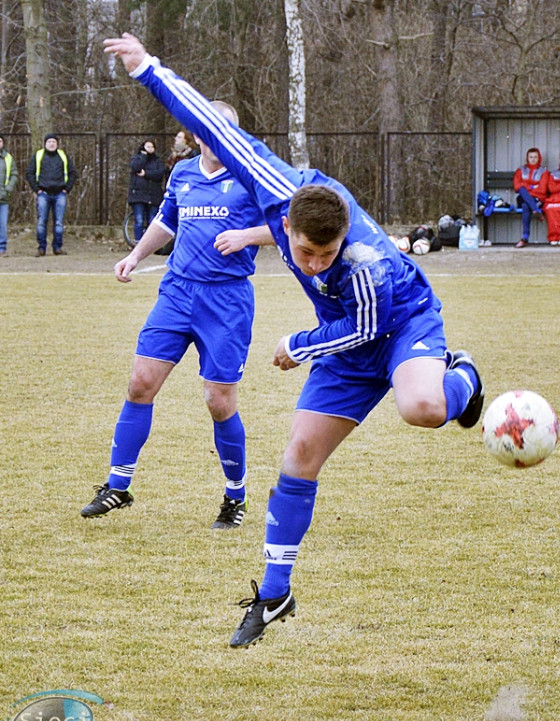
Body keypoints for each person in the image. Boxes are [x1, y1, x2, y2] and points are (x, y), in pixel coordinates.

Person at [104, 33, 485, 648]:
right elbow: (207, 121)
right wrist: (147, 68)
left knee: (423, 408)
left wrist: (300, 343)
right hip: (348, 338)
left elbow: (363, 328)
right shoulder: (274, 186)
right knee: (298, 460)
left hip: (398, 323)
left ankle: (462, 374)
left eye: (324, 254)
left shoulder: (365, 264)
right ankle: (276, 593)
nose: (312, 263)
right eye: (304, 251)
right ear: (284, 224)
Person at [80, 101, 273, 529]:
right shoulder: (182, 173)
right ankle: (118, 485)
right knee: (140, 383)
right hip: (177, 294)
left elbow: (291, 224)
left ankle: (235, 496)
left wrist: (247, 235)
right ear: (199, 134)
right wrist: (134, 255)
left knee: (219, 402)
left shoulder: (255, 175)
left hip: (226, 302)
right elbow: (166, 223)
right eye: (213, 131)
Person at [26, 133, 77, 256]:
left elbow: (73, 173)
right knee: (41, 222)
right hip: (43, 193)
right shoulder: (38, 156)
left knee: (59, 222)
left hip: (60, 193)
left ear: (57, 144)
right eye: (49, 142)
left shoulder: (64, 156)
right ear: (45, 144)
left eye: (54, 142)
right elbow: (29, 173)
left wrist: (67, 189)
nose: (52, 144)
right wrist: (36, 189)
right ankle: (41, 248)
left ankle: (57, 247)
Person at [127, 139, 166, 243]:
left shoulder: (157, 161)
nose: (150, 149)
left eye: (152, 147)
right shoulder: (136, 158)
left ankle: (150, 243)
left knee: (152, 220)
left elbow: (159, 174)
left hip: (154, 195)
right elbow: (136, 167)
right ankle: (138, 242)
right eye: (148, 146)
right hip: (138, 195)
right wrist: (143, 157)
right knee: (139, 220)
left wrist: (146, 174)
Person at [513, 147, 548, 248]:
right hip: (523, 197)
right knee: (522, 191)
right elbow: (517, 187)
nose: (533, 159)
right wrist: (533, 186)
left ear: (539, 158)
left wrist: (525, 186)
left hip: (537, 199)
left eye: (535, 157)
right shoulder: (521, 170)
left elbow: (542, 189)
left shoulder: (543, 172)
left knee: (525, 205)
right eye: (531, 157)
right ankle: (536, 210)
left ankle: (525, 238)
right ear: (527, 158)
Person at [0, 135, 18, 256]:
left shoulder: (8, 158)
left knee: (2, 224)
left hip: (3, 197)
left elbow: (14, 174)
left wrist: (8, 189)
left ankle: (2, 248)